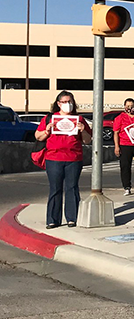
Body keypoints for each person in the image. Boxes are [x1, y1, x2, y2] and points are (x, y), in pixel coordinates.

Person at [35, 91, 92, 229]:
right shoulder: (50, 118)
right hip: (53, 158)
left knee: (72, 188)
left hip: (74, 158)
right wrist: (47, 131)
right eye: (65, 102)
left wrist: (83, 130)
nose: (68, 104)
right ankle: (53, 219)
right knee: (55, 188)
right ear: (59, 103)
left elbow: (87, 140)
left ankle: (72, 218)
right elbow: (38, 136)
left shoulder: (79, 119)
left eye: (70, 102)